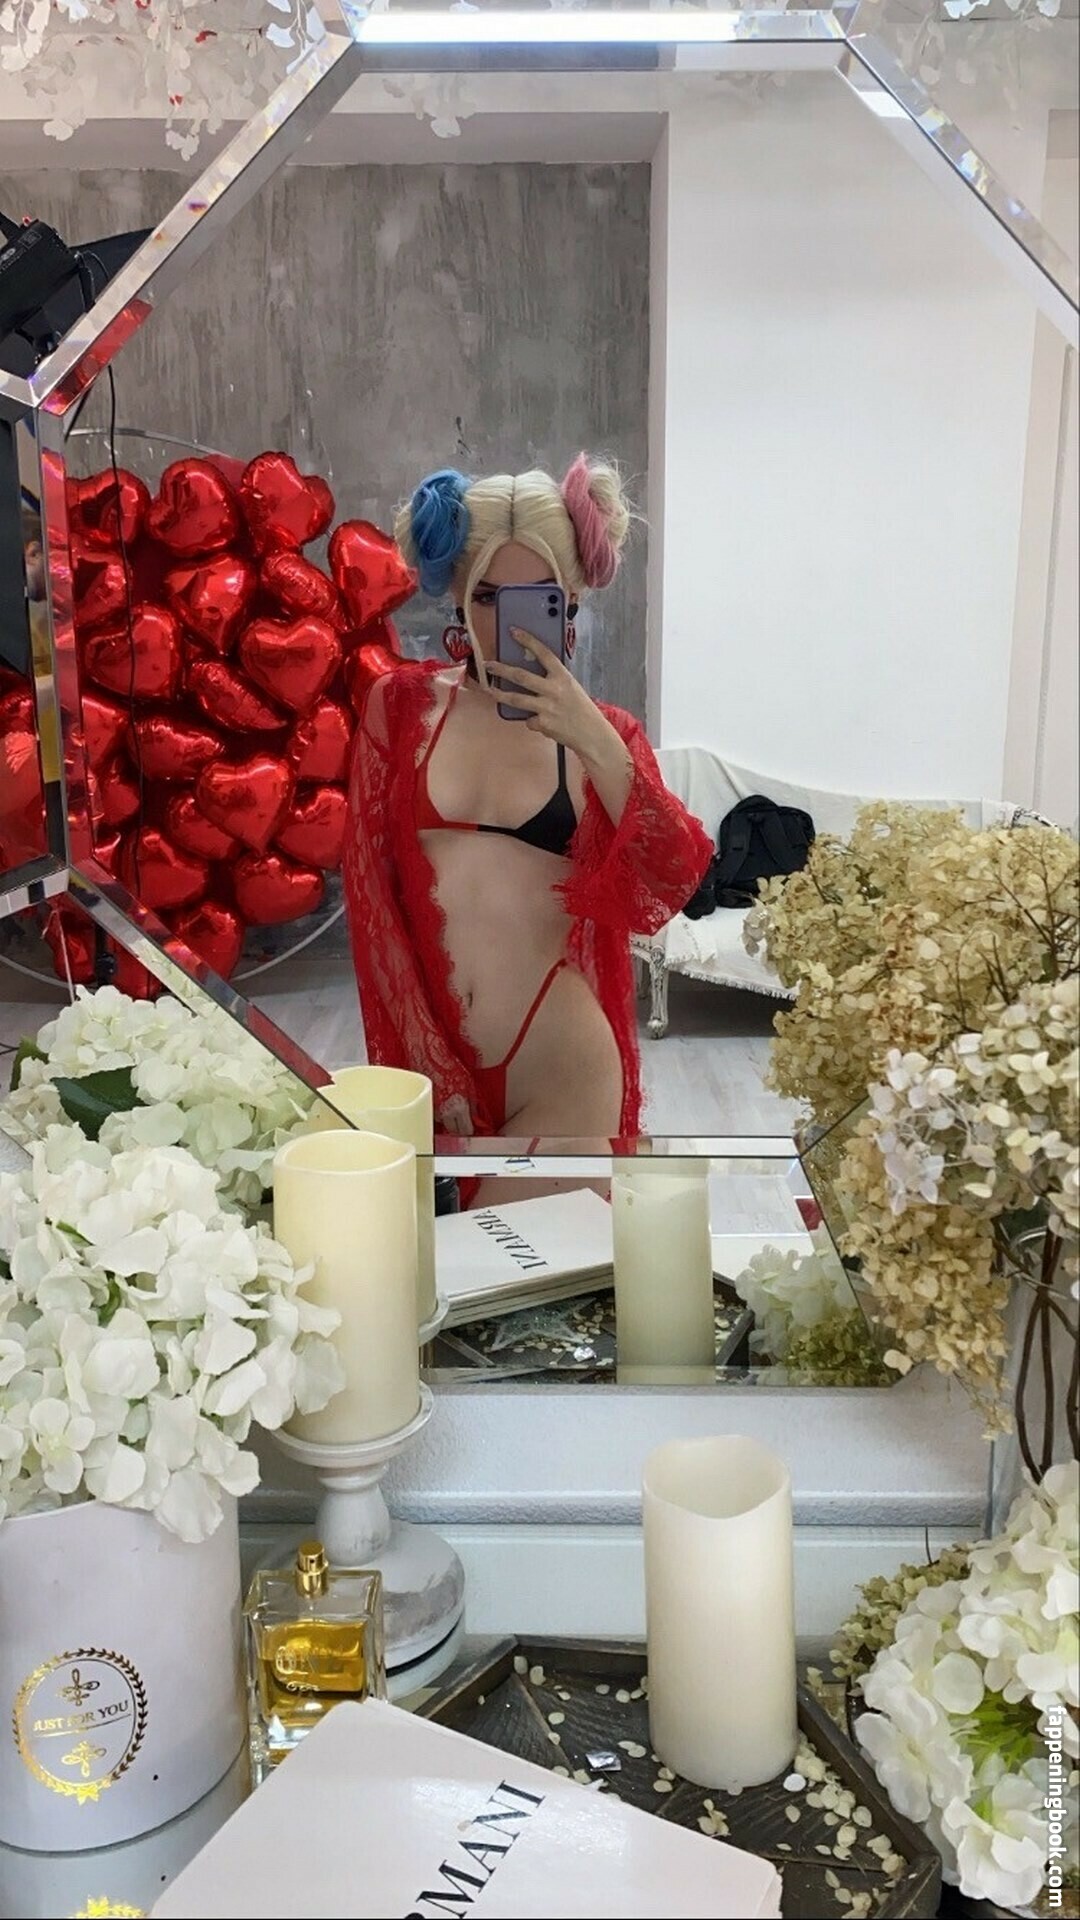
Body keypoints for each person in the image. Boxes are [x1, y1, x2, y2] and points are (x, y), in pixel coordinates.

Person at [343, 457, 712, 1141]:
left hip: (562, 1064)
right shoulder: (397, 709)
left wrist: (593, 738)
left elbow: (675, 876)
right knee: (423, 1217)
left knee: (529, 1223)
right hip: (429, 1067)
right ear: (458, 593)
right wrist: (424, 1053)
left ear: (569, 600)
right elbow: (370, 894)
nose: (508, 626)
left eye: (536, 598)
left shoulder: (605, 736)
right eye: (488, 597)